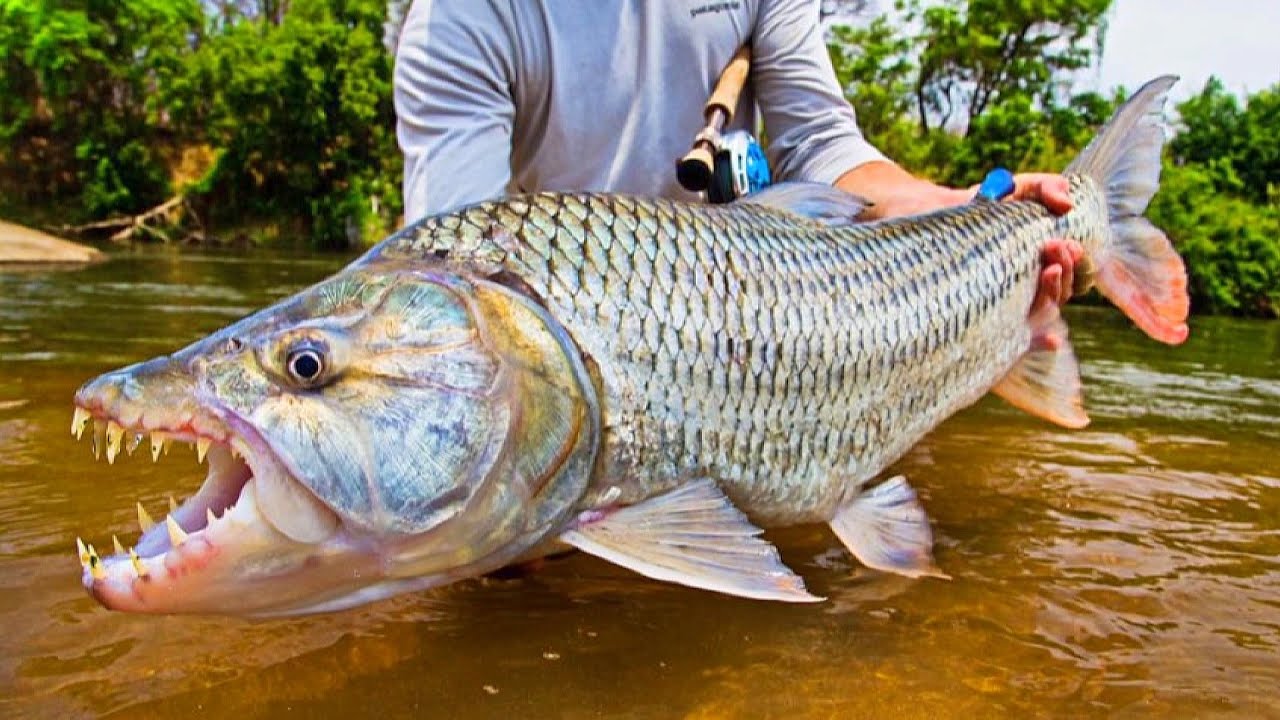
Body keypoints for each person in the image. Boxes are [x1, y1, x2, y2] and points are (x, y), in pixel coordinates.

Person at [391, 0, 1081, 315]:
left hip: (740, 317)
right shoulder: (460, 16)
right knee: (506, 564)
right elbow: (453, 272)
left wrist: (957, 207)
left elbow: (821, 145)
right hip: (559, 325)